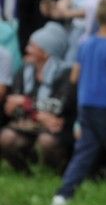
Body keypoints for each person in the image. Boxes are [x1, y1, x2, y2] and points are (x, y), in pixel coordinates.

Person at [52, 0, 106, 205]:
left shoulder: (85, 44)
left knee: (84, 152)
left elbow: (73, 77)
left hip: (86, 105)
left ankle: (63, 196)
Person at [0, 22, 75, 174]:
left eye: (32, 46)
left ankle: (54, 173)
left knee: (46, 142)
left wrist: (25, 103)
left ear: (46, 52)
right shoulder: (24, 71)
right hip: (29, 127)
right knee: (6, 138)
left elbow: (59, 107)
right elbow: (11, 107)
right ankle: (25, 173)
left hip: (58, 130)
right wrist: (40, 114)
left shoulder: (66, 74)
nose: (26, 50)